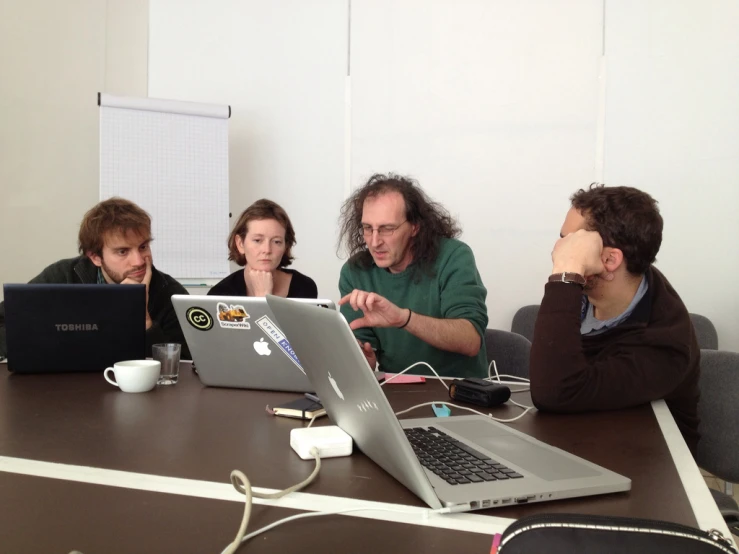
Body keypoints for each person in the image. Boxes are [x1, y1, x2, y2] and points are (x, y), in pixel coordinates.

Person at [530, 183, 700, 455]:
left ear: (609, 259)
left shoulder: (664, 343)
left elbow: (554, 392)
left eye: (571, 241)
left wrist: (566, 273)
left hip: (649, 467)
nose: (559, 249)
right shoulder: (586, 292)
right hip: (579, 439)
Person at [337, 173, 488, 378]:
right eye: (367, 228)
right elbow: (366, 356)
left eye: (387, 229)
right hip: (395, 393)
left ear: (415, 226)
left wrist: (402, 318)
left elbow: (470, 341)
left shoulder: (454, 256)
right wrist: (362, 358)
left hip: (458, 393)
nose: (374, 242)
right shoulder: (355, 272)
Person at [0, 197, 191, 359]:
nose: (139, 261)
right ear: (95, 257)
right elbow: (5, 325)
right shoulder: (63, 276)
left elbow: (183, 363)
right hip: (65, 390)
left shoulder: (170, 293)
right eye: (123, 251)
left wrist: (145, 323)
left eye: (143, 247)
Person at [208, 199, 317, 298]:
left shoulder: (304, 286)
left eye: (276, 242)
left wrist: (264, 295)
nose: (267, 250)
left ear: (286, 246)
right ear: (240, 244)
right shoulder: (220, 294)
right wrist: (263, 295)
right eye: (257, 240)